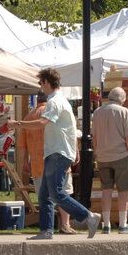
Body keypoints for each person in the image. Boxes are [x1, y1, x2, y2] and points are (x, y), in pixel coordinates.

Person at [24, 68, 100, 240]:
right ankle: (46, 231)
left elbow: (43, 122)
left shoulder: (55, 102)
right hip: (56, 152)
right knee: (44, 195)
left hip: (58, 152)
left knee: (57, 193)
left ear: (46, 82)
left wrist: (19, 124)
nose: (40, 87)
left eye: (40, 83)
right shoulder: (60, 100)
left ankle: (89, 217)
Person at [92, 86, 128, 234]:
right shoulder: (124, 112)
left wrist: (98, 153)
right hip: (121, 155)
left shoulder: (97, 112)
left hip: (103, 156)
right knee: (124, 190)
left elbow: (94, 137)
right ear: (122, 99)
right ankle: (123, 224)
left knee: (106, 189)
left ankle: (106, 225)